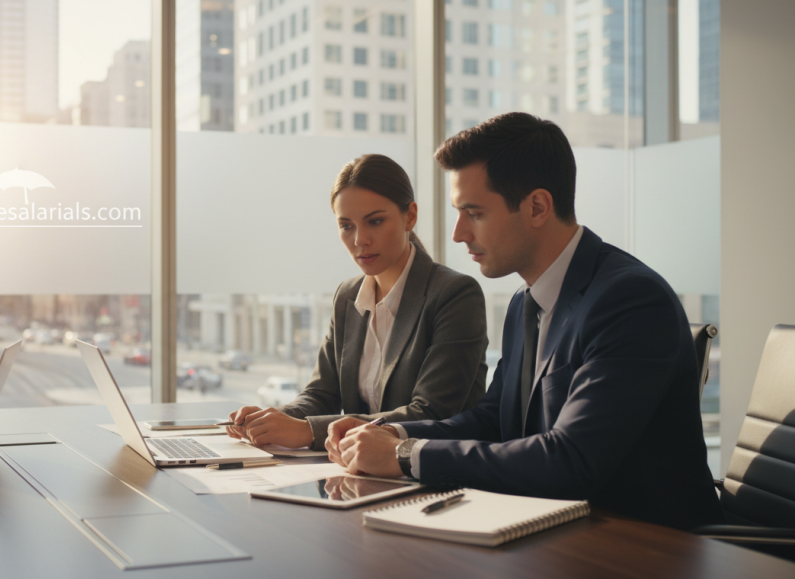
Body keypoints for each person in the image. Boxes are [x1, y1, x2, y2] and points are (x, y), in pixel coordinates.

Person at [325, 114, 724, 530]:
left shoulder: (631, 301)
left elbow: (572, 460)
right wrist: (392, 433)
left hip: (645, 549)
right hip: (556, 532)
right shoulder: (525, 303)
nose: (458, 233)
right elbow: (495, 420)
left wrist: (407, 458)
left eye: (473, 212)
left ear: (536, 207)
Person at [226, 154, 489, 452]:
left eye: (375, 221)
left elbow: (430, 413)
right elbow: (321, 394)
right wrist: (272, 420)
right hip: (359, 473)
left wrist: (308, 432)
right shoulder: (348, 296)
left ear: (410, 216)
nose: (360, 240)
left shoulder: (454, 294)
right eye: (346, 226)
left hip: (434, 477)